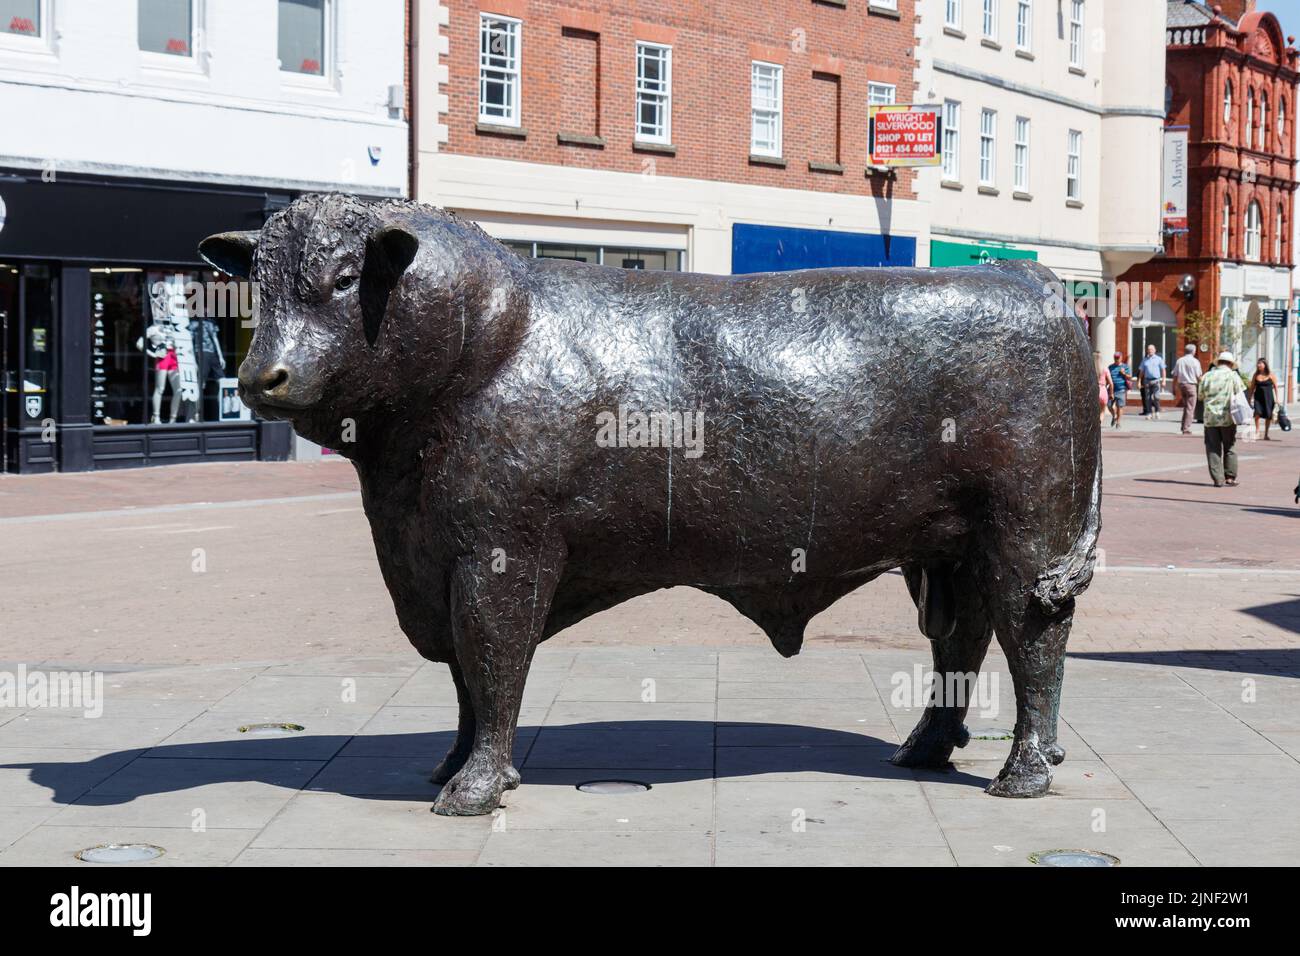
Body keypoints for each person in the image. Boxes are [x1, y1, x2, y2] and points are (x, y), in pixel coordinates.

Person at [1198, 350, 1245, 487]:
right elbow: (1240, 393)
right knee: (1230, 446)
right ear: (1230, 363)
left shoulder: (1207, 376)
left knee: (1213, 447)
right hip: (1228, 417)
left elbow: (1200, 396)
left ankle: (1217, 478)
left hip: (1210, 417)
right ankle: (1230, 476)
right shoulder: (1233, 376)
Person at [1172, 344, 1203, 435]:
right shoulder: (1195, 361)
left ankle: (1183, 425)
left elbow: (1175, 375)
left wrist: (1174, 387)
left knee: (1186, 406)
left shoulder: (1179, 361)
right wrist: (1204, 384)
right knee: (1190, 407)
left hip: (1182, 385)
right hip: (1191, 385)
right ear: (1193, 351)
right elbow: (1198, 375)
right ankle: (1186, 428)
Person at [1248, 358, 1280, 441]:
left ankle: (1266, 434)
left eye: (1260, 363)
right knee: (1257, 414)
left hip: (1268, 398)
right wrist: (1249, 398)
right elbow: (1252, 388)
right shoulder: (1255, 375)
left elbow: (1276, 387)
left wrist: (1277, 399)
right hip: (1258, 398)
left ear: (1265, 365)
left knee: (1268, 416)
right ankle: (1257, 432)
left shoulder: (1271, 375)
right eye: (1258, 363)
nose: (1258, 365)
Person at [1138, 344, 1167, 420]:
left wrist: (1164, 380)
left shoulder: (1159, 359)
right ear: (1147, 351)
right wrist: (1139, 381)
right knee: (1147, 398)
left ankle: (1157, 411)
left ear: (1155, 350)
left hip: (1156, 380)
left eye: (1151, 349)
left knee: (1156, 397)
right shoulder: (1145, 360)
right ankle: (1149, 413)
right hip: (1147, 380)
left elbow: (1163, 370)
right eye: (1149, 349)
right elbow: (1141, 371)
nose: (1150, 351)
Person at [1107, 352, 1135, 428]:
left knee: (1120, 406)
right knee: (1109, 405)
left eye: (1118, 358)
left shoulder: (1125, 367)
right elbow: (1107, 377)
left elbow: (1130, 377)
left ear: (1121, 358)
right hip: (1111, 390)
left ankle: (1118, 422)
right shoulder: (1110, 367)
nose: (1116, 359)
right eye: (1115, 358)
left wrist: (1124, 373)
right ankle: (1114, 416)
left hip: (1121, 389)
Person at [1095, 352, 1111, 424]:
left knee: (1094, 411)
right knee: (1102, 411)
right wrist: (1112, 393)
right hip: (1103, 390)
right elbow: (1111, 383)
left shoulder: (1091, 369)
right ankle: (1099, 422)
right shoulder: (1105, 369)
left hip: (1094, 390)